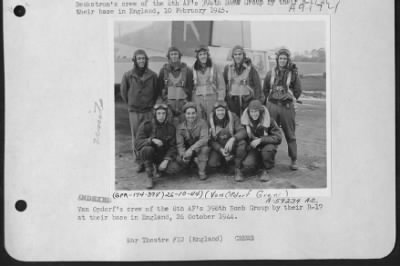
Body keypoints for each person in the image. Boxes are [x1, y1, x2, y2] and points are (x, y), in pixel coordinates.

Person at [120, 49, 159, 173]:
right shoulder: (128, 75)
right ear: (135, 60)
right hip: (135, 111)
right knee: (136, 136)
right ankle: (139, 161)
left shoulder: (153, 75)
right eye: (139, 58)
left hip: (148, 111)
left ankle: (149, 160)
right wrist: (132, 103)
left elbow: (156, 92)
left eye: (143, 58)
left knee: (149, 135)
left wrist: (151, 105)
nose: (141, 61)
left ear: (146, 60)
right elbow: (123, 93)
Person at [263, 48, 302, 170]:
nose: (282, 60)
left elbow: (298, 90)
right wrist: (268, 103)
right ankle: (269, 158)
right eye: (280, 58)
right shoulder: (270, 73)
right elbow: (265, 90)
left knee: (290, 134)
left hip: (286, 107)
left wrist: (290, 98)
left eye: (285, 58)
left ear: (288, 60)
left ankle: (294, 159)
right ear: (277, 59)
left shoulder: (293, 74)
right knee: (271, 132)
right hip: (272, 106)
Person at [135, 103, 181, 189]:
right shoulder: (146, 125)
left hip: (162, 155)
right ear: (155, 114)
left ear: (166, 115)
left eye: (163, 113)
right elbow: (137, 143)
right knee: (147, 149)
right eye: (159, 113)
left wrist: (166, 160)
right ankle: (149, 177)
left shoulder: (171, 128)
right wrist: (151, 140)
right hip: (149, 154)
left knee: (174, 169)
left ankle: (159, 168)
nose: (161, 116)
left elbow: (173, 147)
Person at [241, 100, 282, 182]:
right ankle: (258, 163)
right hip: (254, 148)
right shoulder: (245, 122)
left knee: (268, 151)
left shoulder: (270, 120)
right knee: (247, 164)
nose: (254, 114)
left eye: (256, 111)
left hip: (267, 145)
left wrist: (261, 140)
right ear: (249, 112)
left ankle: (265, 169)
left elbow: (278, 138)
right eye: (251, 111)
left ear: (260, 111)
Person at [207, 101, 248, 182]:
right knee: (212, 163)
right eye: (218, 110)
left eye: (222, 110)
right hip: (219, 146)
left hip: (232, 144)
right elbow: (210, 140)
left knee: (242, 143)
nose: (220, 113)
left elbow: (243, 131)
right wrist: (220, 149)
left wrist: (233, 139)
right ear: (214, 111)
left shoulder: (233, 117)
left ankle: (238, 168)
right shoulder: (210, 119)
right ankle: (225, 163)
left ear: (226, 110)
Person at [223, 45, 262, 117]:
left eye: (240, 54)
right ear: (232, 56)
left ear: (243, 55)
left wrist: (257, 102)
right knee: (234, 122)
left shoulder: (251, 69)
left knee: (247, 122)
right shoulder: (227, 68)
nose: (237, 56)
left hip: (247, 101)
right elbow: (223, 85)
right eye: (235, 54)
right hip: (232, 102)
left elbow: (258, 86)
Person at [158, 46, 194, 126]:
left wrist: (187, 103)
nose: (174, 56)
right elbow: (160, 88)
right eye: (172, 54)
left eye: (176, 54)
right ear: (169, 56)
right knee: (168, 126)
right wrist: (164, 101)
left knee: (184, 126)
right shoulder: (163, 71)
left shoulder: (187, 71)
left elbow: (190, 88)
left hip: (183, 104)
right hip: (168, 104)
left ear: (179, 56)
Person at [176, 102, 209, 180]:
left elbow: (204, 139)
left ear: (196, 114)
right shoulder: (180, 127)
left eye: (193, 113)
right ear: (184, 114)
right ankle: (190, 166)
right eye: (188, 113)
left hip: (198, 149)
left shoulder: (202, 123)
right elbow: (180, 144)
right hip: (187, 151)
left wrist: (192, 149)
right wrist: (183, 154)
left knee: (205, 149)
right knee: (179, 159)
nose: (191, 116)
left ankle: (202, 171)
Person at [192, 45, 225, 121]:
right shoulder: (193, 69)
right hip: (198, 98)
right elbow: (191, 86)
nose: (203, 56)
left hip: (212, 98)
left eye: (204, 54)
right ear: (197, 56)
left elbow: (221, 84)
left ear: (207, 55)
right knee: (199, 119)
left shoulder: (215, 67)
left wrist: (220, 99)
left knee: (212, 119)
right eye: (200, 54)